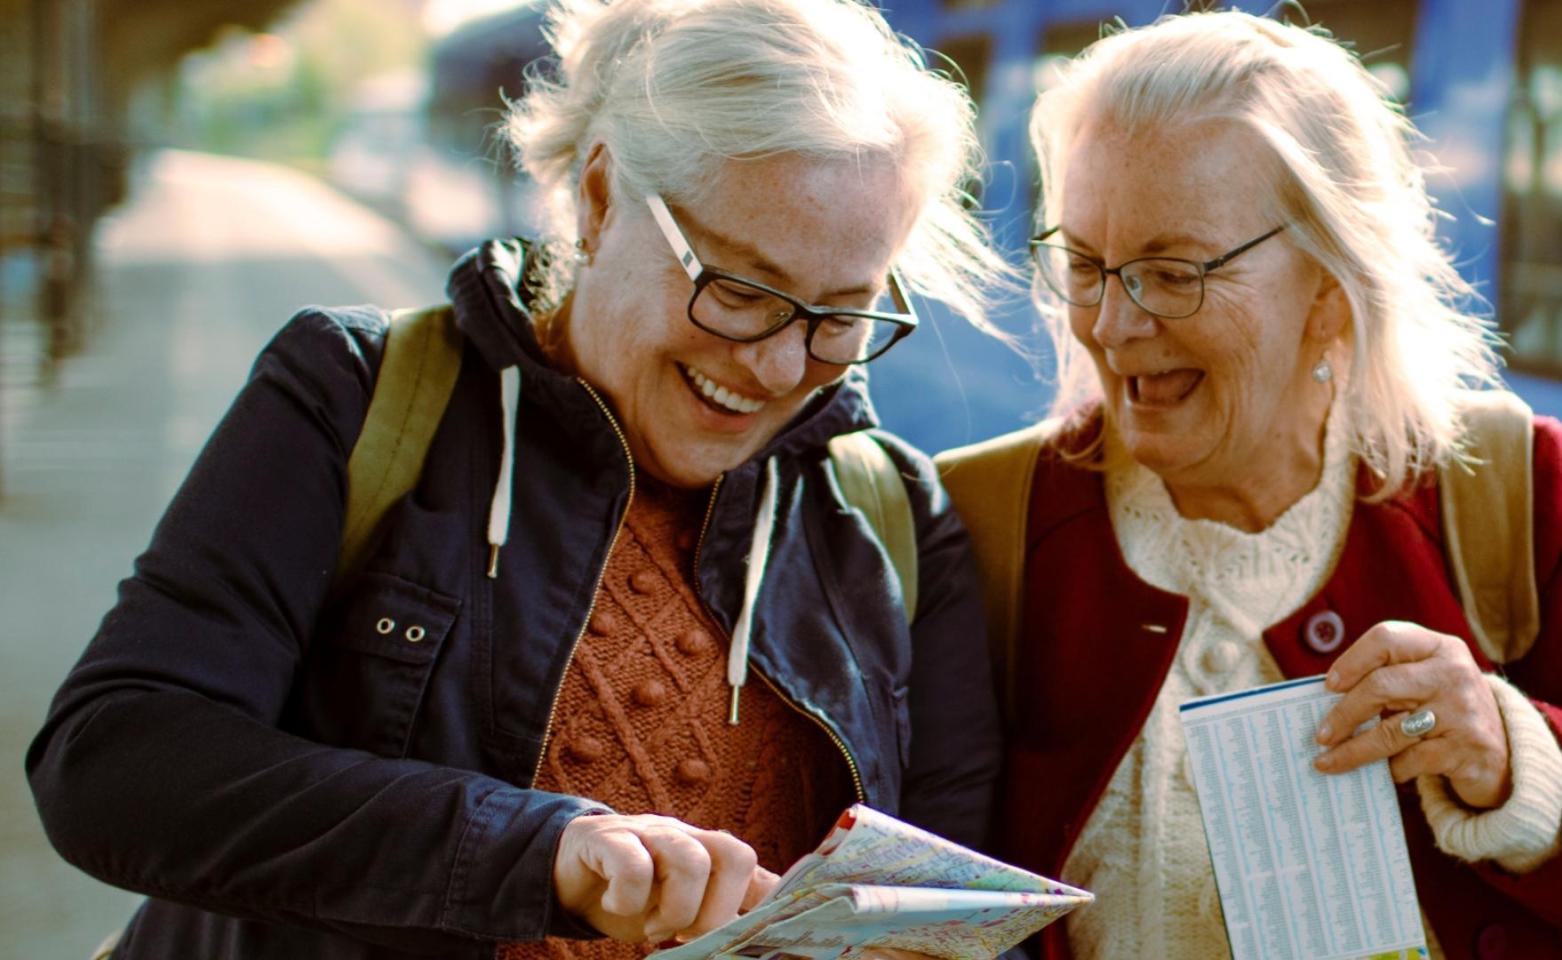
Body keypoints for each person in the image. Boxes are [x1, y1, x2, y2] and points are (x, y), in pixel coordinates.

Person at [26, 0, 1010, 957]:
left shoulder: (891, 522)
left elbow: (944, 911)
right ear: (598, 196)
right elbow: (112, 762)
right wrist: (541, 851)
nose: (780, 367)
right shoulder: (355, 397)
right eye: (740, 291)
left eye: (840, 316)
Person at [938, 11, 1562, 960]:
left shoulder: (1502, 485)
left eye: (1174, 273)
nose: (1115, 326)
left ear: (1330, 284)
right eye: (1090, 266)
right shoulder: (983, 520)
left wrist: (1507, 753)